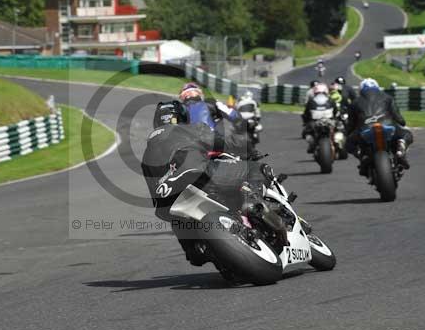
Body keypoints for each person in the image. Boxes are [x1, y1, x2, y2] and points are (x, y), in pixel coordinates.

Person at [142, 101, 281, 267]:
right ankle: (253, 201)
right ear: (181, 116)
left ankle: (195, 248)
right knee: (256, 169)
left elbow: (155, 197)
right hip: (200, 176)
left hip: (169, 202)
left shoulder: (145, 156)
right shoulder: (187, 129)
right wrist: (248, 149)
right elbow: (221, 142)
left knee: (183, 230)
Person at [346, 78, 413, 173]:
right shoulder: (387, 97)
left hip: (365, 129)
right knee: (407, 134)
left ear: (361, 90)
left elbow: (351, 124)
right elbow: (398, 118)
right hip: (387, 124)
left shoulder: (355, 102)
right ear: (377, 87)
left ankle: (362, 155)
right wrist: (401, 122)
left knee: (348, 143)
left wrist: (349, 134)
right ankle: (401, 146)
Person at [302, 83, 336, 153]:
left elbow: (306, 114)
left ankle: (312, 144)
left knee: (307, 132)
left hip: (316, 122)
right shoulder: (331, 100)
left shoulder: (311, 101)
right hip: (329, 121)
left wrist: (306, 121)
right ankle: (338, 144)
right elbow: (336, 111)